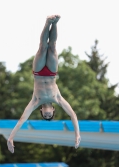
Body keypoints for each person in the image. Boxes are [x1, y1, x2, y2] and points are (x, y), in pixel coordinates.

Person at [7, 15, 81, 153]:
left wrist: (11, 138)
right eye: (49, 115)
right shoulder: (57, 98)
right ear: (53, 110)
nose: (47, 114)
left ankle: (48, 22)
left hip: (39, 72)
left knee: (42, 47)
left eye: (45, 115)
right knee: (52, 47)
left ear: (41, 111)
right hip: (52, 72)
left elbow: (22, 120)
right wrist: (77, 135)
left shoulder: (35, 101)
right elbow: (73, 115)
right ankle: (55, 23)